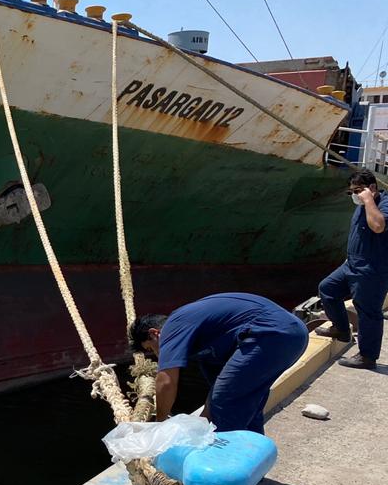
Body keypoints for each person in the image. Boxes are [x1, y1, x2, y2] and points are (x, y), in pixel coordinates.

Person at [130, 292, 309, 433]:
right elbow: (217, 389)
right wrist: (202, 421)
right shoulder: (206, 347)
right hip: (294, 334)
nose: (156, 354)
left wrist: (160, 422)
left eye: (151, 348)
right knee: (247, 405)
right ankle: (252, 469)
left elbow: (166, 381)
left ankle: (227, 472)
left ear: (154, 333)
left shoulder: (172, 326)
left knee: (226, 403)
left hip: (271, 333)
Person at [315, 169, 388, 369]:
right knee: (328, 288)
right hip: (351, 264)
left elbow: (378, 227)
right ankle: (341, 329)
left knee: (368, 312)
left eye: (358, 190)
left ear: (372, 188)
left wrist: (368, 201)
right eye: (352, 192)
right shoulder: (362, 204)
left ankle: (367, 357)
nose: (355, 195)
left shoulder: (382, 203)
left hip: (371, 268)